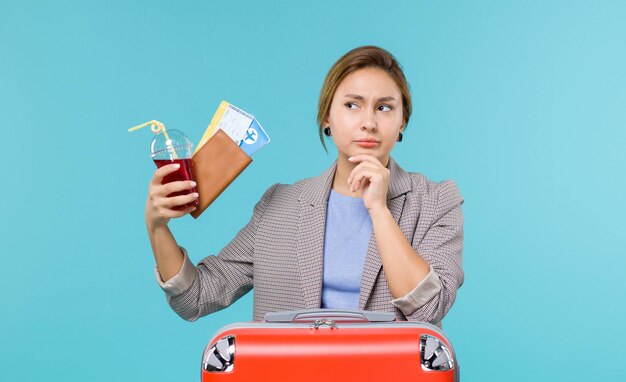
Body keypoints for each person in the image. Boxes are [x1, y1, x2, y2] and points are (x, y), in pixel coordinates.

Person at [145, 45, 464, 328]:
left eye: (384, 107)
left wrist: (379, 210)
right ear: (328, 117)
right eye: (352, 105)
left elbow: (428, 310)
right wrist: (157, 226)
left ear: (402, 122)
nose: (368, 121)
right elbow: (196, 297)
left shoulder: (436, 201)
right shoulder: (278, 205)